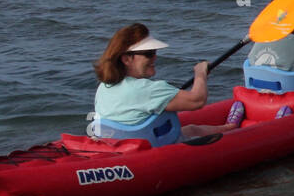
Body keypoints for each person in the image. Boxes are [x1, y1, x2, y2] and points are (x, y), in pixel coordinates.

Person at [93, 23, 244, 140]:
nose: (155, 58)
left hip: (120, 144)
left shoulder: (104, 87)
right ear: (126, 59)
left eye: (154, 53)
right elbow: (197, 101)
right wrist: (200, 74)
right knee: (193, 131)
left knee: (191, 129)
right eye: (149, 54)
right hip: (149, 146)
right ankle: (231, 128)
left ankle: (228, 127)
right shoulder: (148, 89)